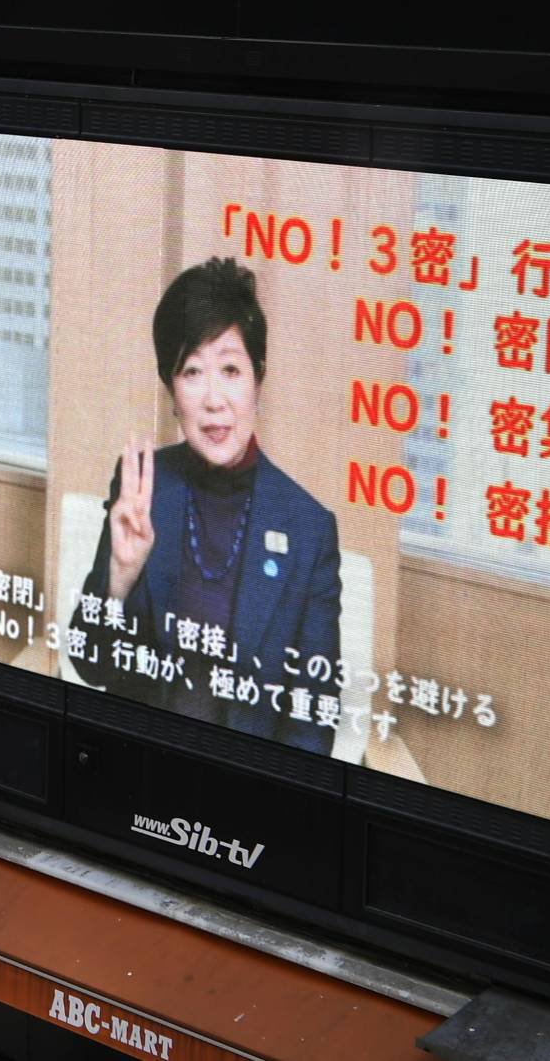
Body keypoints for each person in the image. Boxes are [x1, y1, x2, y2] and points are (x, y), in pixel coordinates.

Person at [69, 257, 342, 756]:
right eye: (192, 371)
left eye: (231, 369)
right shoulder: (144, 487)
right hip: (136, 777)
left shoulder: (309, 529)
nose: (214, 398)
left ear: (259, 378)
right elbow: (90, 666)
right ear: (171, 391)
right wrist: (119, 579)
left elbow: (311, 722)